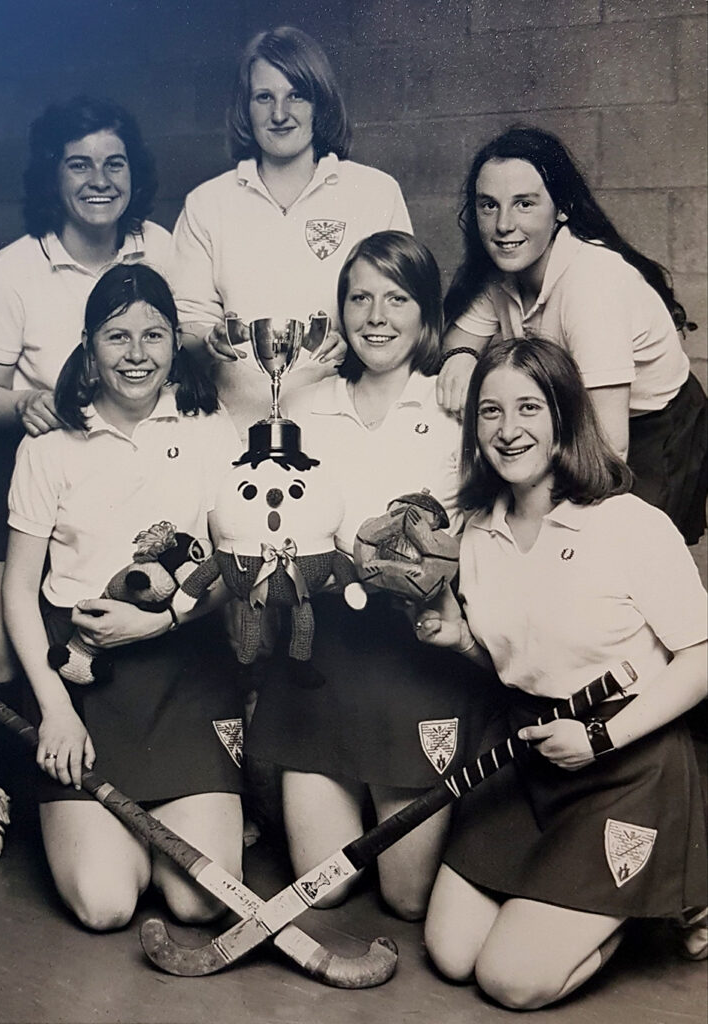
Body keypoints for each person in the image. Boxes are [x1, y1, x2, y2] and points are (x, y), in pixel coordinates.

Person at [416, 336, 707, 1008]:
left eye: (528, 407)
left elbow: (702, 656)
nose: (508, 429)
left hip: (624, 765)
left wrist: (602, 739)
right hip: (529, 758)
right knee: (452, 954)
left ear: (563, 415)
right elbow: (524, 663)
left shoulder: (628, 524)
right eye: (490, 412)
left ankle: (645, 908)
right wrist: (463, 642)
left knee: (510, 981)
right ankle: (587, 908)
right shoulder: (478, 531)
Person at [247, 231, 497, 920]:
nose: (377, 316)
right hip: (325, 654)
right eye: (360, 298)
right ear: (341, 310)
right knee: (326, 890)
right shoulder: (303, 409)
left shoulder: (455, 409)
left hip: (418, 658)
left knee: (407, 899)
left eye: (397, 298)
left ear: (427, 316)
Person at [0, 96, 171, 865]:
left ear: (133, 174)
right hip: (32, 455)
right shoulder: (13, 268)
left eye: (114, 163)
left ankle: (164, 778)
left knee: (133, 611)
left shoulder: (160, 249)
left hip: (127, 465)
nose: (98, 179)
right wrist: (25, 401)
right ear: (54, 175)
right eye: (79, 163)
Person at [1, 265, 244, 930]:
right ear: (88, 344)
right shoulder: (48, 447)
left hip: (186, 672)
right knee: (107, 904)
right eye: (117, 337)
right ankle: (107, 832)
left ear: (174, 343)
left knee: (201, 900)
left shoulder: (210, 430)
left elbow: (231, 564)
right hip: (80, 676)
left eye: (154, 335)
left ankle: (175, 821)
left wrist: (163, 620)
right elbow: (19, 593)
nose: (137, 355)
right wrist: (53, 711)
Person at [435, 125, 706, 545]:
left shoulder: (590, 282)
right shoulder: (502, 271)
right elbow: (453, 345)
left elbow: (610, 450)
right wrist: (462, 357)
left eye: (524, 204)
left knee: (625, 549)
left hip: (653, 426)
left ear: (561, 208)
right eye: (489, 205)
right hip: (576, 418)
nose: (503, 224)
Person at [167, 25, 412, 440]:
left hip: (349, 431)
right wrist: (207, 341)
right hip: (233, 437)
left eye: (295, 94)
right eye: (264, 97)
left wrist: (354, 344)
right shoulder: (207, 203)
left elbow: (405, 311)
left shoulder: (375, 192)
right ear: (246, 108)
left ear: (320, 102)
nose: (279, 113)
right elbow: (187, 324)